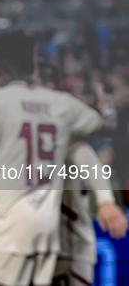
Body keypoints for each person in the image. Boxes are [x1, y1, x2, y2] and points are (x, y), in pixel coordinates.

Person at [0, 32, 110, 286]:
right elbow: (98, 123)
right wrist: (102, 106)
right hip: (47, 230)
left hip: (8, 230)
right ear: (33, 64)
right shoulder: (62, 103)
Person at [36, 63, 127, 286]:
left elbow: (85, 155)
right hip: (32, 239)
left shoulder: (65, 129)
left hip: (68, 241)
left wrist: (106, 201)